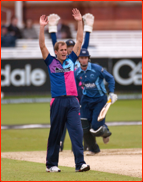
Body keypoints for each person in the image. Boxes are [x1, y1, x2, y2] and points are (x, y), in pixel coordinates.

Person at [39, 8, 90, 172]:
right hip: (58, 101)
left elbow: (80, 40)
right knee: (56, 133)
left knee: (77, 132)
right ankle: (51, 164)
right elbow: (41, 45)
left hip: (73, 101)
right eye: (60, 50)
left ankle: (80, 163)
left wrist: (79, 21)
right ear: (56, 52)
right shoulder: (50, 62)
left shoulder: (71, 60)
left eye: (65, 50)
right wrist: (42, 27)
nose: (63, 52)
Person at [47, 13, 95, 152]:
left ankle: (87, 144)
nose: (68, 49)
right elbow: (54, 45)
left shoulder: (75, 58)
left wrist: (88, 28)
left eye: (70, 47)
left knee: (83, 118)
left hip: (79, 90)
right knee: (63, 118)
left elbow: (83, 44)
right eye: (67, 47)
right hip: (66, 91)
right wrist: (52, 29)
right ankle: (60, 142)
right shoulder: (63, 60)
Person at [75, 48, 118, 156]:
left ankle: (104, 131)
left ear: (88, 58)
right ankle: (94, 149)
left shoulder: (96, 68)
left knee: (94, 126)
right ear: (79, 59)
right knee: (83, 127)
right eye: (81, 58)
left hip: (99, 99)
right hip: (86, 100)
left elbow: (110, 78)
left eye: (85, 58)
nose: (83, 60)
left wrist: (111, 93)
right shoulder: (77, 73)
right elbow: (75, 88)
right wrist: (75, 99)